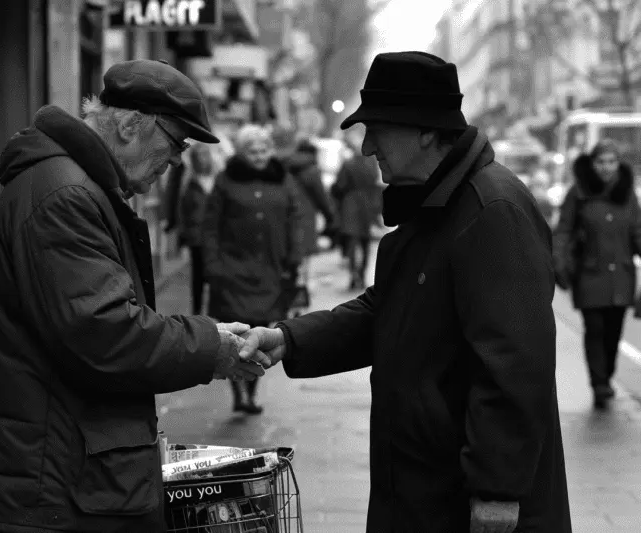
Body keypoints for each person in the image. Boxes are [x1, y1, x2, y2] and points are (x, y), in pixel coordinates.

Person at [240, 52, 571, 533]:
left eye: (377, 129)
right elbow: (388, 310)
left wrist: (497, 490)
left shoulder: (491, 211)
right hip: (424, 483)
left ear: (426, 131)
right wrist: (290, 339)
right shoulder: (436, 201)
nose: (368, 147)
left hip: (464, 496)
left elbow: (515, 364)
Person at [0, 59, 267, 533]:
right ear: (129, 124)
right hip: (58, 480)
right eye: (175, 142)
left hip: (64, 470)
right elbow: (105, 333)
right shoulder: (68, 196)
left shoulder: (76, 188)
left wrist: (207, 339)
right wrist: (210, 347)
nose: (178, 159)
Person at [203, 124, 304, 415]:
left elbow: (295, 219)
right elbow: (210, 226)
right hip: (232, 270)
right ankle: (239, 391)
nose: (259, 156)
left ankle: (250, 390)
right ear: (242, 153)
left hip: (270, 270)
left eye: (263, 151)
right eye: (252, 151)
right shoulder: (226, 180)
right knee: (236, 334)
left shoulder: (283, 179)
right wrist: (213, 266)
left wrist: (294, 257)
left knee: (259, 331)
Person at [553, 139, 641, 409]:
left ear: (618, 164)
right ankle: (599, 384)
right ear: (592, 164)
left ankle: (607, 375)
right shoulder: (578, 193)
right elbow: (564, 230)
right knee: (595, 329)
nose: (606, 167)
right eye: (601, 162)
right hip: (590, 275)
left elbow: (637, 230)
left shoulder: (628, 194)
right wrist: (559, 261)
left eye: (611, 162)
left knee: (614, 330)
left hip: (622, 277)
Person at [332, 128, 385, 290]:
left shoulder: (348, 164)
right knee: (365, 242)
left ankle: (354, 275)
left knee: (352, 243)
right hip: (367, 204)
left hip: (350, 205)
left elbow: (339, 186)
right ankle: (362, 275)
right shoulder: (372, 163)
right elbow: (376, 182)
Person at [179, 142, 220, 314]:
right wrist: (183, 235)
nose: (202, 159)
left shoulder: (218, 179)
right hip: (196, 236)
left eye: (205, 155)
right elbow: (182, 210)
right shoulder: (190, 181)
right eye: (198, 156)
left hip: (217, 236)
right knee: (198, 277)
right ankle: (197, 313)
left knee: (216, 274)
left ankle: (216, 311)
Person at [284, 139, 337, 257]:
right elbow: (321, 197)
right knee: (304, 257)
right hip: (306, 217)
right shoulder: (312, 170)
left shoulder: (286, 166)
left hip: (287, 215)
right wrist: (330, 216)